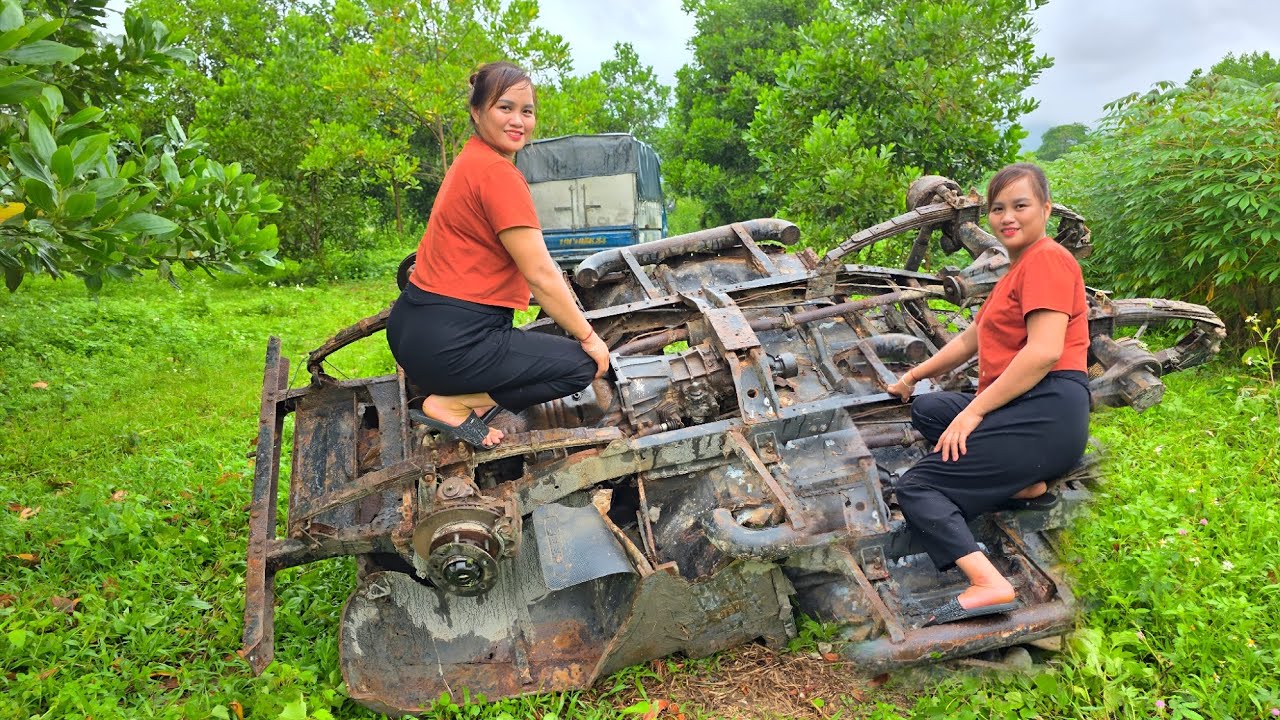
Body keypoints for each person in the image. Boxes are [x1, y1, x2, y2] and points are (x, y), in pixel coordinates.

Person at [884, 162, 1091, 626]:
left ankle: (988, 582)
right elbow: (967, 341)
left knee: (917, 487)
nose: (1007, 217)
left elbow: (1042, 353)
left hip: (1047, 410)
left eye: (1021, 205)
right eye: (998, 209)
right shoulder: (1016, 272)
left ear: (1046, 209)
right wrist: (911, 377)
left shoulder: (1049, 260)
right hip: (1029, 406)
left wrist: (974, 412)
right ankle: (1023, 484)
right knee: (931, 409)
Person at [386, 61, 610, 449]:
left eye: (527, 111)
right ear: (477, 112)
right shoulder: (498, 175)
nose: (518, 121)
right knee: (580, 367)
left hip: (411, 329)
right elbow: (540, 273)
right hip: (453, 346)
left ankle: (453, 396)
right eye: (505, 108)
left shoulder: (470, 161)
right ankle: (453, 405)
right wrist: (589, 337)